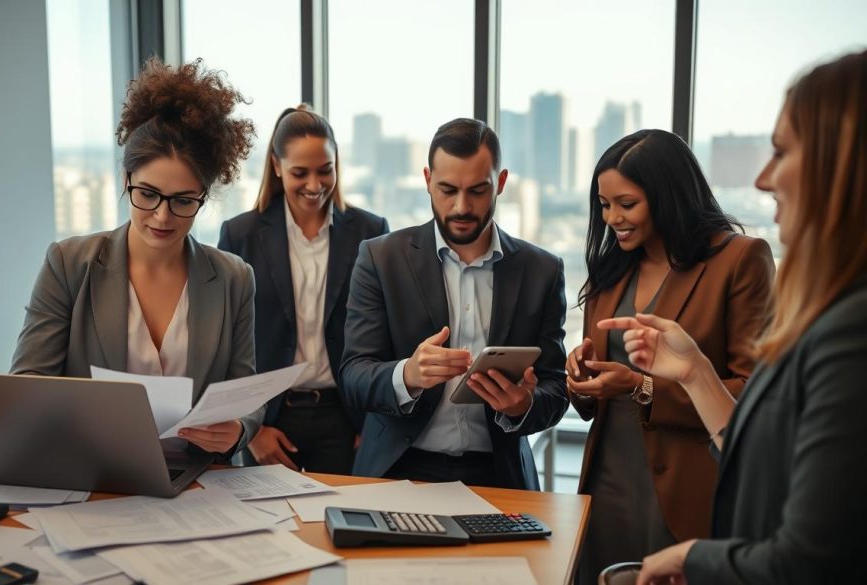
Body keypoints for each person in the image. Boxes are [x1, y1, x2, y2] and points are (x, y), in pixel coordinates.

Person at [602, 50, 867, 584]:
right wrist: (696, 372)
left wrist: (694, 559)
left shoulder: (852, 331)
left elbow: (810, 558)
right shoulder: (829, 310)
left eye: (781, 152)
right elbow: (766, 464)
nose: (765, 179)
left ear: (842, 163)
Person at [11, 57, 259, 457]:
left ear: (204, 196)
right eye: (147, 195)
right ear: (127, 181)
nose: (162, 216)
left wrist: (239, 429)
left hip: (196, 481)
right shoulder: (69, 264)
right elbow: (27, 383)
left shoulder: (234, 278)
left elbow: (245, 392)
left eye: (182, 201)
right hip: (91, 469)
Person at [567, 130, 775, 584]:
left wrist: (640, 386)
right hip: (607, 483)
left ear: (667, 195)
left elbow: (751, 394)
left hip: (691, 490)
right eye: (604, 205)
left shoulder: (740, 261)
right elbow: (591, 404)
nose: (612, 219)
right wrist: (581, 377)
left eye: (626, 204)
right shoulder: (610, 270)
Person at [339, 118, 568, 490]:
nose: (462, 207)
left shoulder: (542, 270)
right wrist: (407, 376)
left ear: (502, 182)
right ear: (428, 180)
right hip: (399, 469)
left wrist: (522, 405)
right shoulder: (381, 259)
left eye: (478, 190)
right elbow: (353, 377)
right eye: (447, 190)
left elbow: (556, 389)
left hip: (499, 475)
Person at [218, 106, 388, 474]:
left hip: (346, 417)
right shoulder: (240, 235)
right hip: (269, 418)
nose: (315, 185)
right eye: (300, 173)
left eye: (325, 170)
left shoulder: (371, 232)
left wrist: (374, 422)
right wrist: (253, 430)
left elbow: (385, 335)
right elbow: (225, 341)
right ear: (277, 166)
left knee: (343, 525)